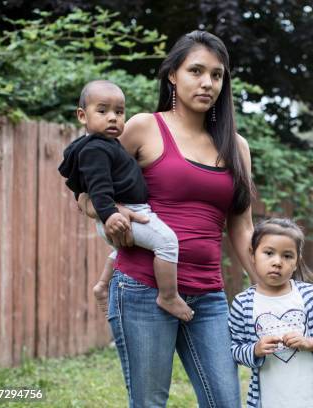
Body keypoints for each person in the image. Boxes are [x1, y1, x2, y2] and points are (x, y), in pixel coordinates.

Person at [79, 31, 256, 407]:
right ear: (173, 75)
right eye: (196, 70)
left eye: (217, 74)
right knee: (150, 403)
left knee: (225, 401)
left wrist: (269, 289)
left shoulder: (236, 147)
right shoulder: (143, 127)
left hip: (208, 295)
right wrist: (109, 211)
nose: (207, 82)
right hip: (141, 289)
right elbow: (87, 190)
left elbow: (242, 227)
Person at [58, 80, 194, 322]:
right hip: (123, 214)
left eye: (119, 112)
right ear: (82, 115)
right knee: (167, 243)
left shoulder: (105, 145)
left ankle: (102, 285)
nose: (113, 118)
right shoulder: (95, 149)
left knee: (120, 250)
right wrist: (110, 215)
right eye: (103, 111)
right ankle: (169, 296)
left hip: (121, 212)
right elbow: (98, 187)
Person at [228, 218, 313, 408]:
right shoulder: (243, 303)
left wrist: (308, 342)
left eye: (287, 256)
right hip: (269, 400)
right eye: (269, 253)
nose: (277, 262)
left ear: (297, 262)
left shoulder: (309, 295)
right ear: (252, 254)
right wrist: (255, 349)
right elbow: (235, 350)